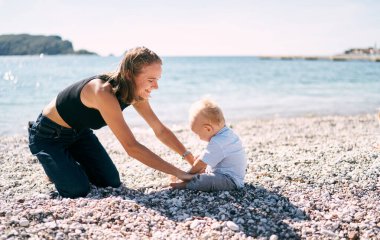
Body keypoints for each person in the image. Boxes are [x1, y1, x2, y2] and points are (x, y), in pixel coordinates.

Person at [28, 46, 195, 198]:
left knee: (110, 181)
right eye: (151, 80)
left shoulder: (135, 92)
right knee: (77, 190)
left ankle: (64, 163)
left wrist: (191, 160)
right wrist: (181, 174)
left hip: (79, 134)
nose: (156, 86)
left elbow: (159, 129)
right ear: (129, 75)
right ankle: (54, 164)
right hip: (48, 136)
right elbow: (132, 148)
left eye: (157, 79)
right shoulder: (102, 92)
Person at [170, 98, 247, 192]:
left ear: (208, 129)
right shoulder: (227, 134)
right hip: (224, 174)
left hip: (230, 180)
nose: (198, 137)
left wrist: (186, 175)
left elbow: (201, 163)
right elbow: (208, 157)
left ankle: (186, 184)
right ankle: (193, 177)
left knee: (205, 180)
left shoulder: (218, 142)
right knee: (201, 161)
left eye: (198, 133)